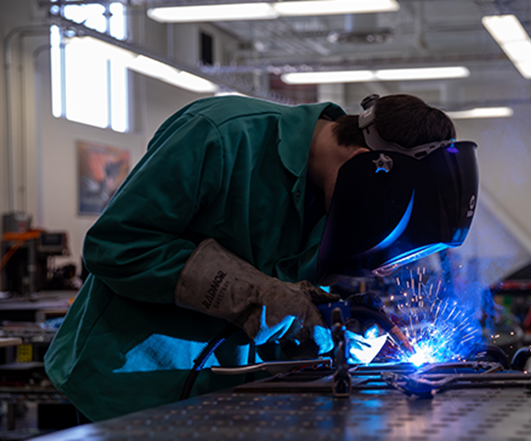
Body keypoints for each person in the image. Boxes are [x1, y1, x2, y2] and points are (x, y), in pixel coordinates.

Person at [44, 93, 477, 422]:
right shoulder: (220, 134)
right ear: (369, 166)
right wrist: (259, 294)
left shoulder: (340, 201)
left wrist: (344, 331)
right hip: (130, 389)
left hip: (232, 399)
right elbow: (116, 245)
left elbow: (297, 311)